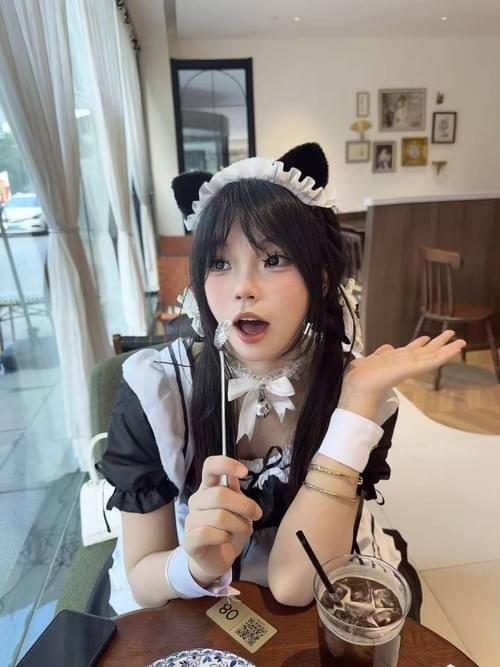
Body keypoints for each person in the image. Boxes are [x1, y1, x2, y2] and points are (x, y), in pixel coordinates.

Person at [100, 142, 465, 615]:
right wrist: (196, 565)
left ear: (323, 277)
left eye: (274, 259)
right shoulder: (156, 392)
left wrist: (356, 405)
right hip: (186, 584)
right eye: (219, 263)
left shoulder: (357, 390)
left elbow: (295, 584)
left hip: (322, 574)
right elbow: (143, 579)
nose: (243, 289)